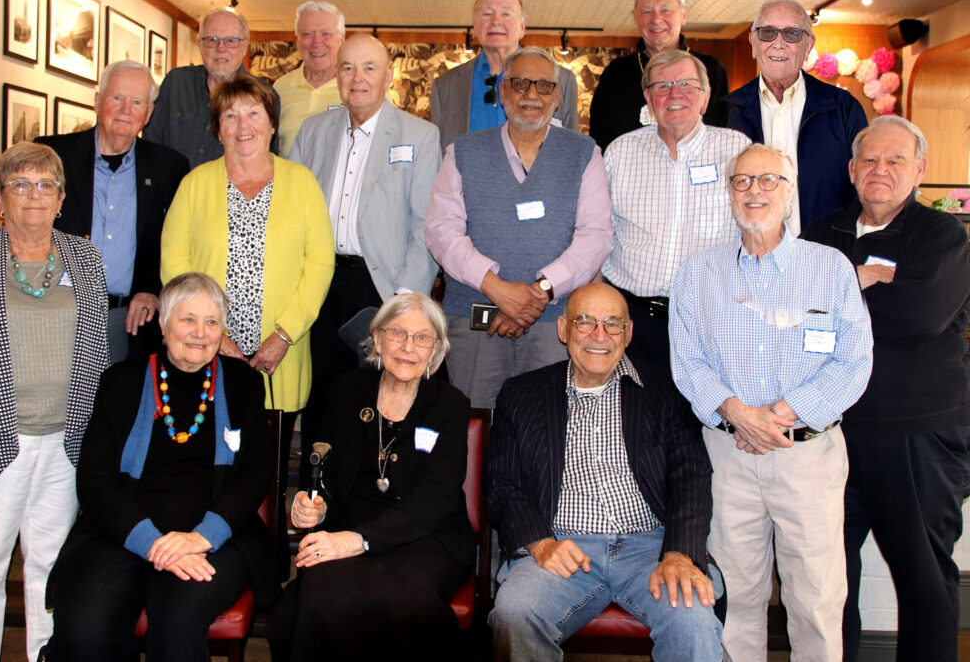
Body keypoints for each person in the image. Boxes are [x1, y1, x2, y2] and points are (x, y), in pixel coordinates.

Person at [670, 143, 874, 661]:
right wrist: (739, 415)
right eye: (742, 181)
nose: (754, 191)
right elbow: (688, 362)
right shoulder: (697, 273)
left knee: (816, 599)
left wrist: (778, 417)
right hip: (728, 456)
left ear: (790, 193)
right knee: (734, 597)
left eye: (768, 181)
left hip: (807, 455)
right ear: (729, 193)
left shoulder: (830, 269)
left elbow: (854, 360)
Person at [802, 116, 970, 662]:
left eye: (896, 160)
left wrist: (839, 290)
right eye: (870, 160)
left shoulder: (943, 236)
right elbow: (793, 316)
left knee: (923, 576)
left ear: (919, 169)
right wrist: (869, 278)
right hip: (831, 434)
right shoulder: (821, 232)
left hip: (916, 436)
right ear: (851, 171)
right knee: (831, 579)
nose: (881, 170)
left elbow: (918, 314)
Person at [44, 272, 277, 661]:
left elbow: (255, 475)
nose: (199, 333)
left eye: (211, 322)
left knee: (178, 618)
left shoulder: (243, 384)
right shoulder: (121, 381)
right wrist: (152, 543)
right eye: (187, 319)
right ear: (164, 324)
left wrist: (200, 538)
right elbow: (94, 481)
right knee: (86, 629)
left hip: (215, 537)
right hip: (124, 532)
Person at [486, 283, 722, 661]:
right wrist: (540, 543)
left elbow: (690, 477)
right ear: (563, 329)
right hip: (563, 546)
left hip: (652, 547)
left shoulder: (665, 392)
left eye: (613, 324)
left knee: (691, 619)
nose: (599, 335)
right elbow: (502, 484)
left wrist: (679, 552)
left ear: (628, 334)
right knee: (515, 612)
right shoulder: (522, 394)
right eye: (585, 321)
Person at [0, 142, 109, 661]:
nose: (33, 195)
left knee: (51, 574)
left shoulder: (85, 259)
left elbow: (98, 351)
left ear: (62, 198)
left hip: (65, 443)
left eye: (45, 185)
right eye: (20, 185)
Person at [266, 293, 475, 661]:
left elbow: (437, 500)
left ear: (436, 350)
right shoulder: (347, 390)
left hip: (426, 539)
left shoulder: (450, 405)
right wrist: (312, 504)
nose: (408, 347)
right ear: (377, 339)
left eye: (422, 338)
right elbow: (325, 473)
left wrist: (359, 540)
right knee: (318, 594)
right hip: (347, 527)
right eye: (397, 333)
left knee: (404, 599)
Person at [425, 47, 612, 409]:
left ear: (557, 97)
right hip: (475, 318)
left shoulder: (584, 153)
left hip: (554, 322)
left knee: (547, 432)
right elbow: (441, 231)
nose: (531, 95)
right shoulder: (462, 151)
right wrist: (498, 290)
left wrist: (540, 291)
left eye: (543, 86)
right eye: (520, 83)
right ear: (503, 91)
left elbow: (596, 235)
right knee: (475, 430)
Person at [289, 33, 441, 469]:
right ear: (336, 75)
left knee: (375, 402)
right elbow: (295, 212)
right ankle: (315, 501)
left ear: (389, 76)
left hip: (381, 289)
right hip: (319, 283)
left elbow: (424, 226)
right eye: (348, 68)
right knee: (320, 399)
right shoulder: (313, 130)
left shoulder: (420, 135)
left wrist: (403, 302)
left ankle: (366, 502)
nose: (358, 78)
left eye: (369, 68)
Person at [160, 73, 334, 412]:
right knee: (206, 450)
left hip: (280, 350)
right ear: (218, 129)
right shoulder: (194, 184)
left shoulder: (302, 183)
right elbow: (174, 264)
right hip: (203, 345)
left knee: (268, 456)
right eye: (230, 116)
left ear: (272, 125)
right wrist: (213, 335)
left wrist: (285, 335)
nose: (243, 125)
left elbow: (320, 264)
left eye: (254, 113)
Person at [602, 49, 749, 369]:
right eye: (662, 86)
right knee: (634, 414)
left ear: (706, 97)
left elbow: (758, 233)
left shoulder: (738, 151)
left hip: (709, 317)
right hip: (631, 318)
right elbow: (599, 232)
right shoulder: (620, 152)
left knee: (698, 415)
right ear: (648, 98)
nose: (674, 94)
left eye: (686, 84)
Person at [37, 59, 189, 361]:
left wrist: (153, 290)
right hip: (56, 311)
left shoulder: (169, 167)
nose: (125, 110)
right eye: (117, 98)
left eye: (137, 102)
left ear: (148, 113)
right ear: (97, 101)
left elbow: (177, 242)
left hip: (129, 323)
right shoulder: (51, 156)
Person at [724, 0, 868, 233]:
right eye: (767, 32)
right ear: (753, 41)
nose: (778, 43)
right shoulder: (726, 110)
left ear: (808, 44)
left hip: (823, 258)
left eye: (791, 34)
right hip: (747, 258)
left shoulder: (844, 109)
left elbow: (862, 189)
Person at [589, 0, 730, 151]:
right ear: (635, 18)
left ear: (683, 15)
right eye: (647, 11)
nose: (656, 19)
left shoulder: (710, 69)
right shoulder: (616, 73)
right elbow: (600, 139)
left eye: (666, 10)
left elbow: (719, 131)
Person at [430, 0, 578, 150]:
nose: (496, 21)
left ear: (523, 26)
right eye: (487, 14)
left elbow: (570, 149)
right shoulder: (445, 86)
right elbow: (439, 155)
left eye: (506, 13)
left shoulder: (561, 80)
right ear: (475, 25)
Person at [144, 9, 278, 168]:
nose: (221, 48)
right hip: (173, 191)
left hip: (231, 191)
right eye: (212, 40)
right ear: (200, 45)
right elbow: (150, 144)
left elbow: (267, 161)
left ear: (244, 47)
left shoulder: (264, 95)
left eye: (231, 41)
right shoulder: (176, 83)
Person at [274, 1, 345, 156]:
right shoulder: (280, 87)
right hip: (287, 180)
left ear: (341, 39)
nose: (317, 42)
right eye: (308, 34)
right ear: (298, 41)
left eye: (326, 34)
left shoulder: (360, 88)